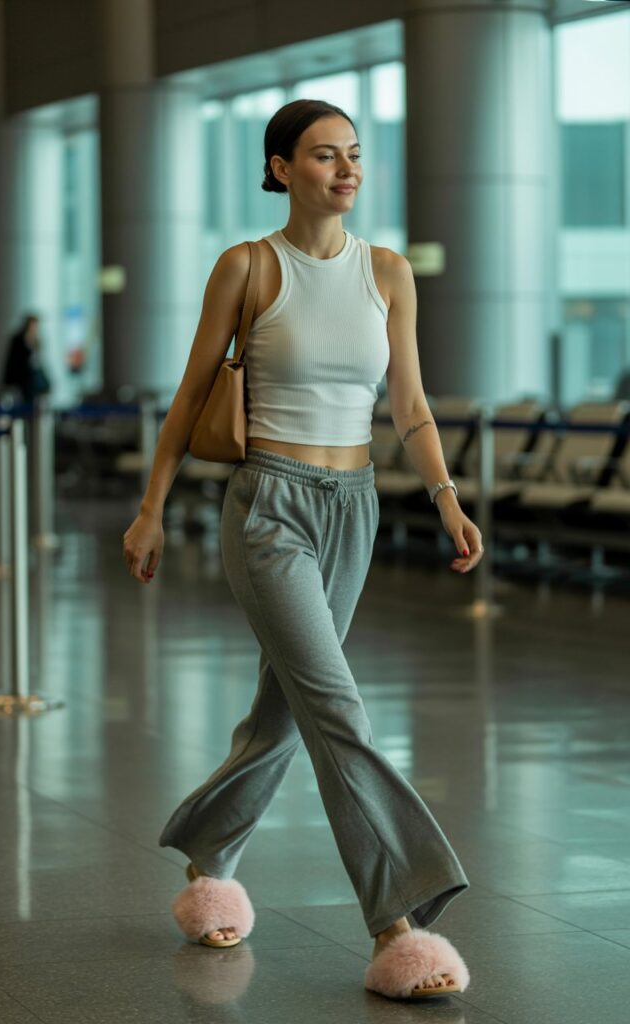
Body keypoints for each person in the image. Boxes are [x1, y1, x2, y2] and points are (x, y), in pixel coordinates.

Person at [123, 98, 483, 1001]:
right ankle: (398, 921)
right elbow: (190, 394)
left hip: (353, 504)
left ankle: (209, 856)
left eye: (355, 154)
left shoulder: (389, 272)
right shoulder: (248, 267)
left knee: (287, 711)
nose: (348, 169)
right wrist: (151, 507)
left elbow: (410, 407)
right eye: (326, 156)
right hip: (270, 508)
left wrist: (446, 500)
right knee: (337, 710)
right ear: (282, 168)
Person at [1, 313, 51, 403]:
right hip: (22, 378)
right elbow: (14, 362)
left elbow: (37, 361)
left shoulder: (36, 340)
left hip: (33, 377)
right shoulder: (18, 340)